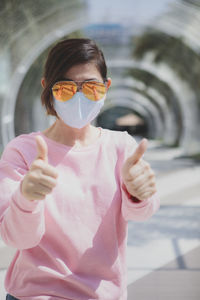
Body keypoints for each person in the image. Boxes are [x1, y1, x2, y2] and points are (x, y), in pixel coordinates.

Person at [0, 38, 159, 300]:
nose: (78, 97)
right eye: (64, 88)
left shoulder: (120, 147)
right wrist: (26, 198)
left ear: (106, 87)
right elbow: (18, 238)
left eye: (91, 87)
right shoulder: (23, 151)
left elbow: (143, 212)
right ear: (47, 88)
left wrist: (140, 192)